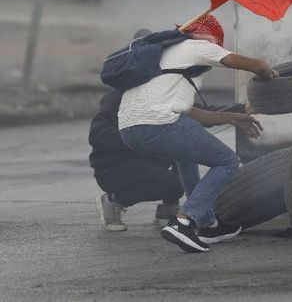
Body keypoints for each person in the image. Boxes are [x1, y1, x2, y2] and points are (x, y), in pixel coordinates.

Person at [118, 15, 278, 253]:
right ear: (210, 40)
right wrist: (269, 75)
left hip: (130, 130)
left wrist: (233, 117)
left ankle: (206, 223)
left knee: (186, 152)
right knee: (227, 161)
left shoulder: (160, 56)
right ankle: (184, 222)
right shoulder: (196, 46)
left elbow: (192, 115)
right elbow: (257, 65)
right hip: (158, 125)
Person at [90, 72, 184, 231]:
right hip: (114, 167)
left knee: (185, 152)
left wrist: (235, 112)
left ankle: (168, 209)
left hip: (146, 162)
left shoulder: (162, 98)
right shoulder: (117, 99)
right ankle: (113, 201)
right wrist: (136, 137)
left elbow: (196, 113)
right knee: (171, 181)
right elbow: (97, 135)